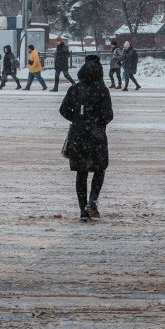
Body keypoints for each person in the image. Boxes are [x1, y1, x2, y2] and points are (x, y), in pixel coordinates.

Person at [59, 54, 113, 222]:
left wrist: (77, 120)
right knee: (99, 169)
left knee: (81, 173)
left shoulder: (75, 88)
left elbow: (63, 110)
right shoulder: (102, 90)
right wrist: (97, 123)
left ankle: (83, 210)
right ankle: (92, 202)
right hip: (96, 135)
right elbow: (108, 115)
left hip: (78, 135)